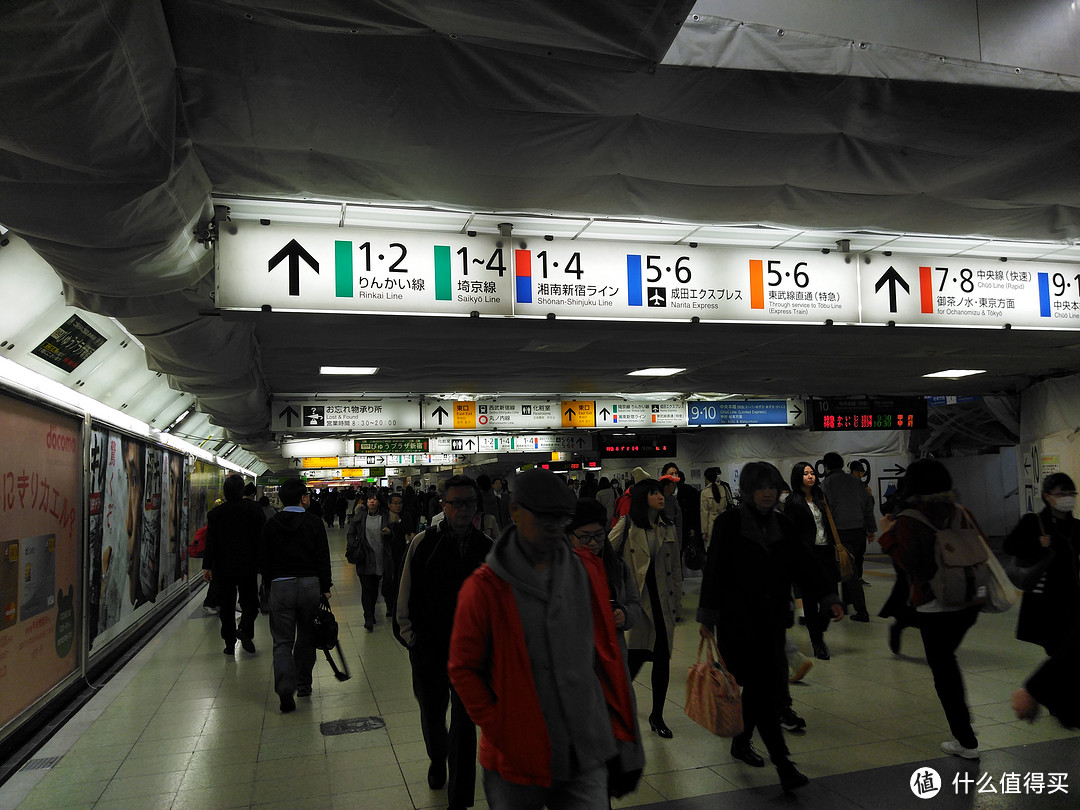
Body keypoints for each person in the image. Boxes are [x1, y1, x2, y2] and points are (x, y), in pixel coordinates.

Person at [449, 469, 638, 809]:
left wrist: (625, 736)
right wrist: (500, 728)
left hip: (585, 751)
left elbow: (608, 660)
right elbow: (462, 668)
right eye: (544, 517)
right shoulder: (484, 588)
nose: (554, 527)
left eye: (561, 518)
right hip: (517, 761)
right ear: (516, 510)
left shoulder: (587, 571)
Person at [697, 462, 843, 792]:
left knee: (761, 690)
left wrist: (828, 596)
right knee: (763, 691)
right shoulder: (728, 523)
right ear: (748, 491)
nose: (767, 493)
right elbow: (715, 570)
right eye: (760, 487)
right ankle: (783, 764)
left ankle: (741, 742)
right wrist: (707, 618)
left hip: (773, 622)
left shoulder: (783, 524)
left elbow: (805, 565)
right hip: (738, 624)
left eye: (772, 487)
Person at [396, 475, 493, 810]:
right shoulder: (424, 543)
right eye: (456, 503)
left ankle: (460, 797)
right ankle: (437, 759)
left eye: (469, 503)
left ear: (477, 507)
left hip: (471, 655)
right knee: (433, 714)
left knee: (465, 724)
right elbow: (404, 594)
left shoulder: (487, 549)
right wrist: (411, 638)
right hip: (429, 649)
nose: (463, 510)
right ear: (444, 506)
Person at [878, 459, 983, 760]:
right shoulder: (961, 512)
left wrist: (888, 534)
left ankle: (966, 739)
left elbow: (911, 565)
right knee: (948, 661)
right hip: (969, 602)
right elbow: (981, 548)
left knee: (944, 671)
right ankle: (963, 720)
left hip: (935, 604)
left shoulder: (910, 518)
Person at [610, 477, 680, 738]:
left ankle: (657, 716)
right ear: (642, 498)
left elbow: (674, 570)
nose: (660, 496)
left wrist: (677, 604)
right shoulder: (627, 524)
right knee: (635, 658)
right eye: (654, 493)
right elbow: (606, 554)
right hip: (638, 604)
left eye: (661, 492)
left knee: (661, 660)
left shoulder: (667, 527)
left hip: (662, 603)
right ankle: (615, 708)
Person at [259, 480, 332, 712]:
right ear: (303, 499)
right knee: (306, 637)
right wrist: (325, 585)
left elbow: (265, 560)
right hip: (310, 585)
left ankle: (284, 691)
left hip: (280, 585)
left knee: (282, 641)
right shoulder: (314, 523)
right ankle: (303, 684)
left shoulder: (271, 525)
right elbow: (323, 556)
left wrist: (270, 583)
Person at [1003, 472, 1080, 655]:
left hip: (1071, 595)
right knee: (1056, 646)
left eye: (1071, 494)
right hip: (1044, 597)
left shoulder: (1076, 526)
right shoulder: (1033, 522)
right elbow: (1009, 546)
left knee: (1067, 646)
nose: (1067, 498)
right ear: (1047, 497)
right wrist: (1036, 543)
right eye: (1061, 494)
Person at [202, 474, 265, 655]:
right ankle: (245, 629)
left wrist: (207, 566)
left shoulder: (215, 514)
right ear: (242, 490)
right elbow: (261, 539)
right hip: (248, 565)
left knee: (227, 606)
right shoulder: (254, 510)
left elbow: (211, 542)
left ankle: (229, 643)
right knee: (250, 602)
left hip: (223, 567)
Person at [784, 462, 841, 660]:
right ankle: (817, 643)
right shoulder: (793, 502)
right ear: (798, 476)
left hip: (825, 552)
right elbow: (791, 533)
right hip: (806, 556)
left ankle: (819, 625)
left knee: (831, 597)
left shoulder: (820, 498)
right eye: (806, 473)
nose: (810, 476)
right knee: (809, 601)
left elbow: (829, 524)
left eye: (812, 473)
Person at [820, 452, 876, 622]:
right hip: (859, 530)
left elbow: (826, 509)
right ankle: (846, 602)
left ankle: (862, 610)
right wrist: (871, 529)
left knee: (849, 571)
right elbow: (868, 505)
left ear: (826, 467)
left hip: (840, 532)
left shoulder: (826, 484)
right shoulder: (856, 482)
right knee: (850, 568)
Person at [346, 488, 394, 631]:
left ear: (379, 501)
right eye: (369, 499)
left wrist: (389, 532)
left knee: (375, 588)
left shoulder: (385, 516)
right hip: (365, 558)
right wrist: (354, 545)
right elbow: (350, 534)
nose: (371, 501)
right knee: (367, 588)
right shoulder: (360, 516)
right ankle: (368, 616)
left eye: (374, 499)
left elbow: (394, 536)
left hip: (381, 557)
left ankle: (373, 612)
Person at [382, 492, 409, 619]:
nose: (398, 506)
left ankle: (399, 605)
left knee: (400, 579)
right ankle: (389, 605)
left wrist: (399, 521)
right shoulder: (384, 517)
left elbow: (409, 529)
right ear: (389, 505)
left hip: (402, 552)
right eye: (395, 503)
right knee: (388, 579)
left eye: (400, 503)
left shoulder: (405, 516)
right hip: (387, 553)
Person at [699, 466, 734, 551]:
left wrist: (704, 531)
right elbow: (731, 503)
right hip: (725, 522)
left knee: (712, 550)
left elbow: (704, 513)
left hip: (711, 524)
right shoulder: (724, 488)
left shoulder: (704, 492)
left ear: (706, 478)